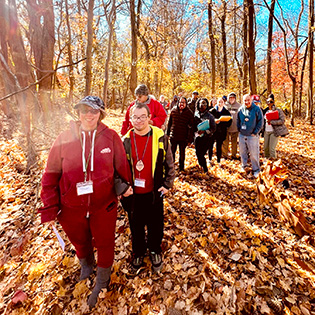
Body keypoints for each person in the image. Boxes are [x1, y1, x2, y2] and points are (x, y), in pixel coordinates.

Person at [39, 96, 133, 308]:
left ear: (100, 114)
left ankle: (102, 280)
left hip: (103, 205)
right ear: (78, 113)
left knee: (105, 242)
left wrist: (126, 188)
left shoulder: (111, 137)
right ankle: (86, 265)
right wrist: (49, 208)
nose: (89, 115)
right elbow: (50, 174)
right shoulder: (64, 138)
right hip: (71, 206)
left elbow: (122, 168)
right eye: (84, 110)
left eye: (94, 111)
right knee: (79, 239)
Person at [121, 103, 175, 273]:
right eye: (135, 117)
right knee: (135, 225)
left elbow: (170, 164)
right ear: (130, 119)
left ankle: (154, 250)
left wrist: (167, 185)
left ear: (149, 117)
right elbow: (117, 168)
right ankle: (138, 252)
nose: (139, 121)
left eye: (142, 116)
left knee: (156, 224)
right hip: (133, 194)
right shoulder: (125, 140)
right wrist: (122, 188)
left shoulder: (160, 136)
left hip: (155, 192)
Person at [237, 94, 263, 178]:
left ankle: (256, 170)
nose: (246, 102)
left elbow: (260, 122)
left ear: (251, 100)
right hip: (242, 135)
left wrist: (255, 132)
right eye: (245, 100)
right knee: (243, 152)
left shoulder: (256, 109)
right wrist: (239, 130)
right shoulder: (241, 109)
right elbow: (238, 120)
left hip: (252, 136)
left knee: (253, 154)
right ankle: (244, 166)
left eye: (248, 100)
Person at [167, 96, 194, 171]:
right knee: (172, 153)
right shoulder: (173, 110)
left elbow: (192, 127)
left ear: (186, 104)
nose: (182, 104)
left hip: (183, 137)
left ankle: (181, 168)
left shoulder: (189, 113)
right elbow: (169, 123)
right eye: (180, 102)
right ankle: (171, 167)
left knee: (182, 153)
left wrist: (190, 139)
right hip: (174, 135)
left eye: (184, 102)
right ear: (178, 103)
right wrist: (168, 133)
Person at [194, 98, 216, 173]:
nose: (202, 106)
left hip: (207, 139)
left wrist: (205, 131)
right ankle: (202, 165)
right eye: (201, 104)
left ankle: (205, 168)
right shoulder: (196, 115)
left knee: (201, 154)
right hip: (197, 138)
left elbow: (213, 128)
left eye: (204, 104)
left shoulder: (210, 116)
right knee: (198, 153)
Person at [209, 97, 232, 166]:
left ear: (224, 103)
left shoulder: (226, 112)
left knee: (219, 146)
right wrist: (214, 121)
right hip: (213, 132)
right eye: (219, 102)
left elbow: (229, 122)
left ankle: (218, 160)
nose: (220, 103)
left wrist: (222, 121)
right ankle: (209, 159)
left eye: (222, 102)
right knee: (210, 146)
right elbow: (208, 119)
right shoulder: (212, 111)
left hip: (221, 132)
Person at [222, 92, 241, 159]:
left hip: (235, 127)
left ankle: (234, 155)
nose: (231, 99)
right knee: (225, 142)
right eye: (230, 98)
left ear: (235, 98)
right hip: (226, 127)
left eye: (233, 98)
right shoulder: (224, 105)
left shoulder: (239, 106)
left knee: (234, 142)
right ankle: (225, 155)